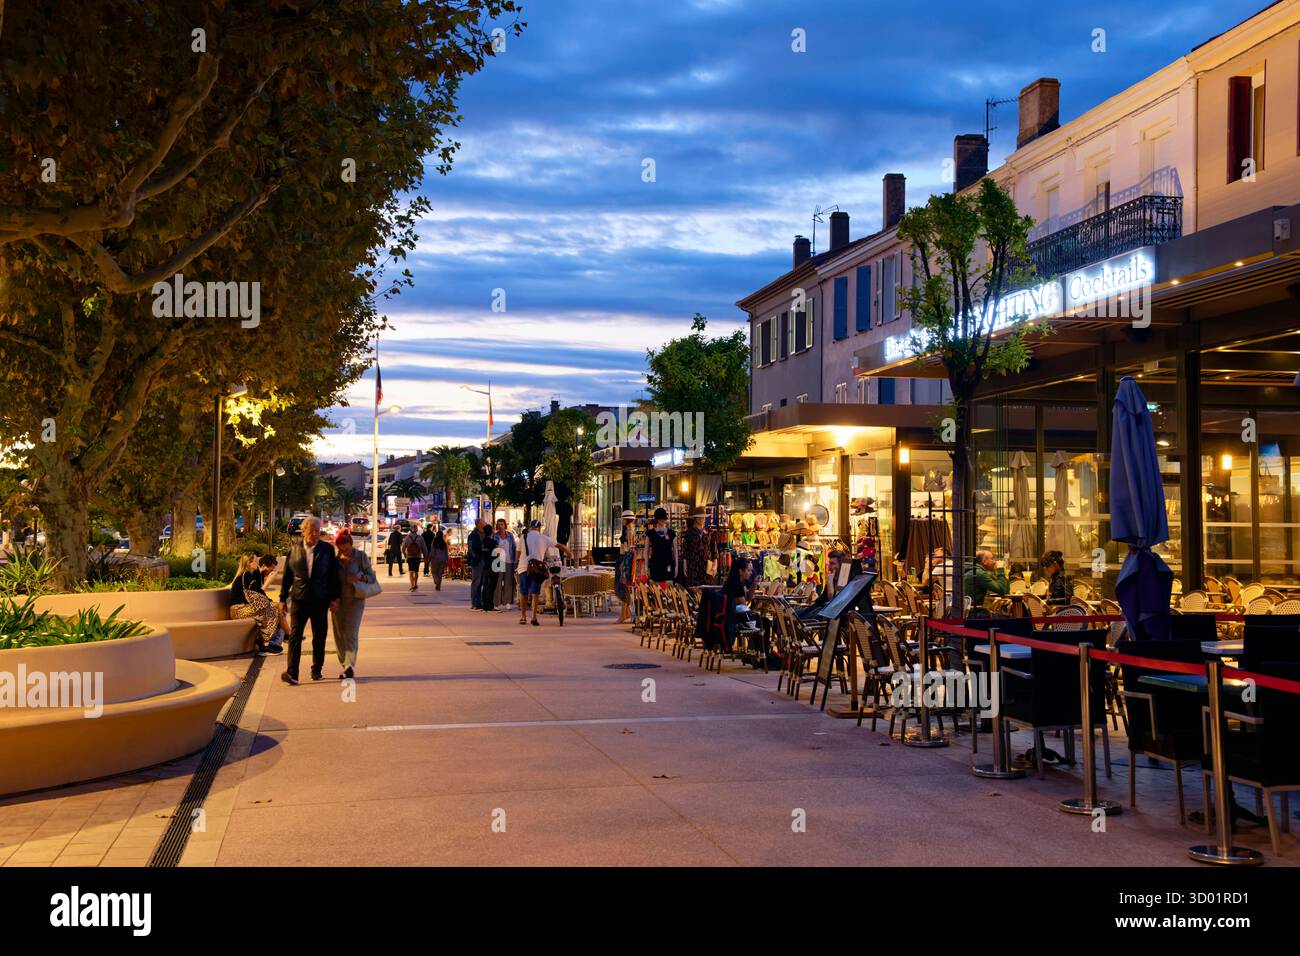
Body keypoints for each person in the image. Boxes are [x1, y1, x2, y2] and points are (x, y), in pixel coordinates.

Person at [278, 516, 341, 685]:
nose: (315, 534)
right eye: (312, 531)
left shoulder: (327, 550)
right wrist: (282, 599)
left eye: (318, 531)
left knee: (319, 636)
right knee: (294, 636)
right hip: (299, 599)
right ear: (304, 531)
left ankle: (316, 669)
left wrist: (335, 598)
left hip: (320, 599)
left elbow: (333, 576)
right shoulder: (294, 549)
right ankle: (292, 673)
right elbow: (287, 576)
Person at [331, 531, 377, 680]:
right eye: (341, 548)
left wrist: (359, 577)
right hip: (338, 602)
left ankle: (349, 665)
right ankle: (344, 664)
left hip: (355, 601)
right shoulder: (335, 560)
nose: (344, 551)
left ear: (351, 545)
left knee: (350, 634)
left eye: (346, 548)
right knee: (339, 635)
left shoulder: (360, 557)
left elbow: (372, 577)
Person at [518, 519, 573, 626]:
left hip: (523, 567)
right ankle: (534, 617)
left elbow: (518, 553)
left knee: (523, 592)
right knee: (535, 593)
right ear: (539, 528)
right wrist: (569, 553)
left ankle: (523, 617)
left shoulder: (523, 537)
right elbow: (560, 546)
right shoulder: (544, 538)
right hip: (537, 569)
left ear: (530, 527)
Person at [229, 552, 280, 655]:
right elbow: (253, 596)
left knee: (273, 608)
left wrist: (269, 602)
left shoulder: (252, 575)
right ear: (248, 563)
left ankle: (265, 642)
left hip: (247, 607)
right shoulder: (245, 575)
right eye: (255, 561)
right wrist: (269, 581)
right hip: (239, 610)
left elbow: (257, 594)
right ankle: (264, 644)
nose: (258, 563)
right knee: (271, 610)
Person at [644, 507, 677, 585]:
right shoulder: (650, 533)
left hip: (668, 563)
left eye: (664, 518)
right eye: (660, 519)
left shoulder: (671, 533)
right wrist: (646, 566)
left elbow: (675, 551)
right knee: (656, 591)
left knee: (670, 590)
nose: (663, 520)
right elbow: (646, 551)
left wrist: (676, 567)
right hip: (655, 564)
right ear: (657, 519)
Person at [616, 509, 637, 624]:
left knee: (623, 586)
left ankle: (624, 614)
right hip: (628, 558)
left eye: (623, 519)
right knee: (625, 586)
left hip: (626, 559)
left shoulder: (629, 529)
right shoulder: (632, 528)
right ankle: (625, 612)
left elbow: (630, 546)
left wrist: (624, 548)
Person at [681, 510, 712, 587]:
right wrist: (685, 565)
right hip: (693, 563)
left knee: (706, 588)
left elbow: (713, 548)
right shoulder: (689, 532)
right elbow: (685, 549)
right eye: (700, 518)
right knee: (693, 588)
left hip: (706, 563)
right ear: (696, 519)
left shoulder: (709, 532)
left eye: (704, 518)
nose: (702, 519)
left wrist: (714, 564)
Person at [493, 518, 518, 609]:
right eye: (498, 525)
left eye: (502, 524)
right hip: (497, 562)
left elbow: (514, 547)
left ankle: (507, 602)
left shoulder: (510, 536)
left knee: (508, 582)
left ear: (505, 526)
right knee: (498, 582)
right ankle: (496, 603)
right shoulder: (494, 536)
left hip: (509, 561)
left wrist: (515, 561)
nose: (500, 527)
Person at [403, 524, 428, 592]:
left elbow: (403, 547)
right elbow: (424, 548)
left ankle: (412, 585)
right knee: (416, 571)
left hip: (410, 557)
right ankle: (415, 584)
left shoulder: (407, 538)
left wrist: (405, 554)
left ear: (410, 530)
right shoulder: (420, 538)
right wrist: (426, 556)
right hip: (417, 557)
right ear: (416, 530)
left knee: (411, 571)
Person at [467, 518, 486, 609]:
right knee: (476, 582)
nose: (485, 523)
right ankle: (475, 602)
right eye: (483, 522)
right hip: (477, 562)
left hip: (484, 560)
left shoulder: (485, 533)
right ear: (478, 524)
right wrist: (476, 558)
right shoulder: (473, 535)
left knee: (482, 582)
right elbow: (471, 549)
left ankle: (479, 601)